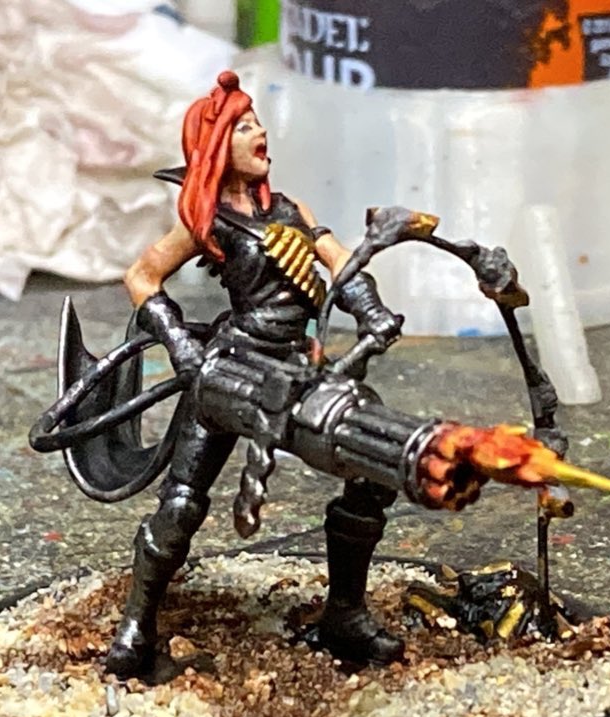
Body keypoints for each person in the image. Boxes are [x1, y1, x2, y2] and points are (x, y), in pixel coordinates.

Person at [107, 70, 415, 679]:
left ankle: (345, 613)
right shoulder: (208, 220)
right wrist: (180, 345)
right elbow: (141, 277)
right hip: (233, 367)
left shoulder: (291, 211)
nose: (260, 133)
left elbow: (341, 265)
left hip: (298, 365)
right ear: (216, 145)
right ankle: (137, 627)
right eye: (244, 126)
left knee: (375, 464)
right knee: (182, 506)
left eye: (257, 122)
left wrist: (370, 310)